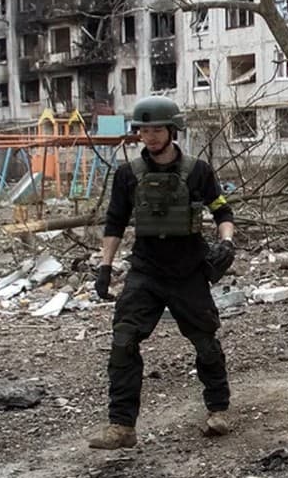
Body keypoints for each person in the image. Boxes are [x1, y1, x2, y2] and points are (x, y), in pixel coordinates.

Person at [86, 97, 237, 449]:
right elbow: (115, 222)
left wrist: (226, 243)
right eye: (143, 130)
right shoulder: (127, 175)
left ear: (172, 131)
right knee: (123, 342)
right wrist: (105, 266)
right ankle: (122, 427)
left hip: (188, 271)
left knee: (205, 343)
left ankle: (218, 410)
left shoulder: (198, 171)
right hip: (146, 271)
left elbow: (221, 211)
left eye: (156, 129)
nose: (150, 136)